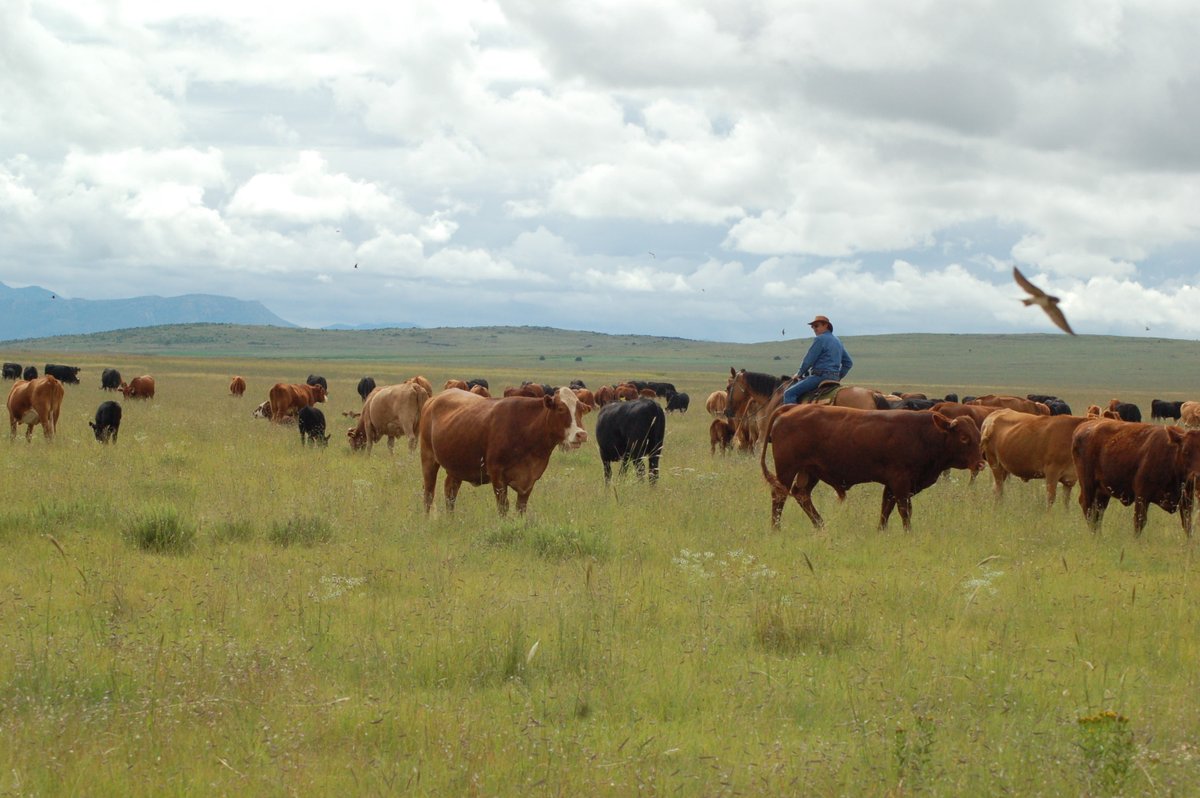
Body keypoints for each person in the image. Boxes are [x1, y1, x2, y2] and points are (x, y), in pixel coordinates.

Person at [782, 315, 853, 404]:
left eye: (816, 326)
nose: (814, 329)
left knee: (789, 393)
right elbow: (848, 363)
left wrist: (799, 373)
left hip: (819, 377)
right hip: (834, 378)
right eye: (812, 327)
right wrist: (838, 376)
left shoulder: (820, 339)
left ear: (825, 325)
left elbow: (809, 359)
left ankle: (793, 417)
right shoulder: (838, 341)